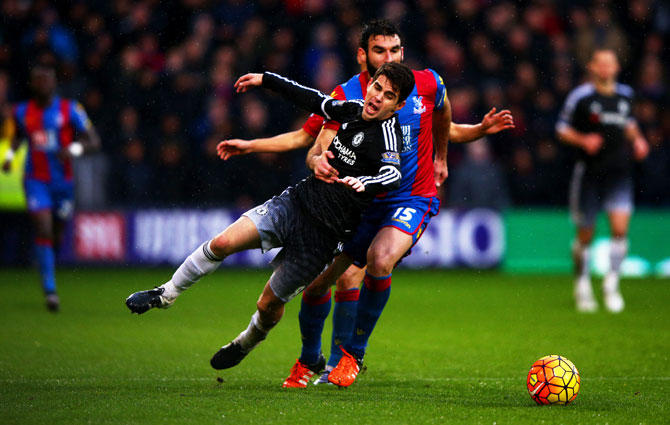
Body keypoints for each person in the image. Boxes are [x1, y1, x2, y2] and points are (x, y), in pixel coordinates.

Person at [218, 19, 514, 388]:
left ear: (402, 52)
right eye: (379, 51)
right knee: (317, 284)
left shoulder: (426, 83)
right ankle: (311, 360)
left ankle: (352, 354)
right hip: (360, 202)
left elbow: (444, 117)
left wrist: (444, 154)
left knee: (378, 259)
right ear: (363, 55)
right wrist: (312, 160)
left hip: (410, 196)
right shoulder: (349, 96)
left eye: (394, 50)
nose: (388, 57)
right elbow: (313, 141)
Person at [126, 62, 415, 372]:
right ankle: (166, 293)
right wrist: (266, 79)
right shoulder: (350, 109)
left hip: (324, 237)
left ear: (397, 105)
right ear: (369, 85)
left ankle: (246, 341)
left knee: (267, 305)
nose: (377, 97)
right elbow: (310, 98)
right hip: (295, 204)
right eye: (376, 87)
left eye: (388, 95)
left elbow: (392, 173)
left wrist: (365, 182)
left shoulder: (389, 134)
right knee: (224, 242)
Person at [556, 48, 649, 313]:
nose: (607, 68)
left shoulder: (626, 95)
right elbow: (561, 129)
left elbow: (628, 124)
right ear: (593, 68)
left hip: (619, 172)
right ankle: (582, 284)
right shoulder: (581, 97)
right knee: (586, 234)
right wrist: (583, 139)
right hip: (589, 173)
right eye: (602, 63)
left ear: (617, 67)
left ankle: (611, 285)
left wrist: (639, 140)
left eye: (611, 63)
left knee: (620, 230)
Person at [1, 64, 100, 312]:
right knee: (43, 228)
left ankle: (46, 262)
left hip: (63, 183)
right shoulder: (22, 111)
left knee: (55, 234)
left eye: (47, 80)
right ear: (32, 84)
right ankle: (50, 290)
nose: (43, 84)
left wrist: (73, 150)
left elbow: (93, 141)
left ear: (54, 83)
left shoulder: (70, 110)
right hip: (35, 179)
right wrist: (11, 155)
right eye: (38, 80)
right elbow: (19, 136)